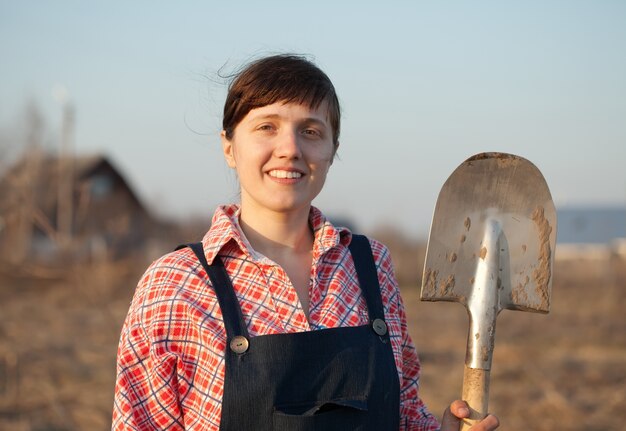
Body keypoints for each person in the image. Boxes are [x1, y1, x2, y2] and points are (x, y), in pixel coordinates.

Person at [112, 54, 500, 431]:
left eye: (311, 131)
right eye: (267, 127)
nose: (290, 148)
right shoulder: (175, 285)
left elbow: (403, 413)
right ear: (229, 147)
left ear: (332, 151)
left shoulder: (370, 265)